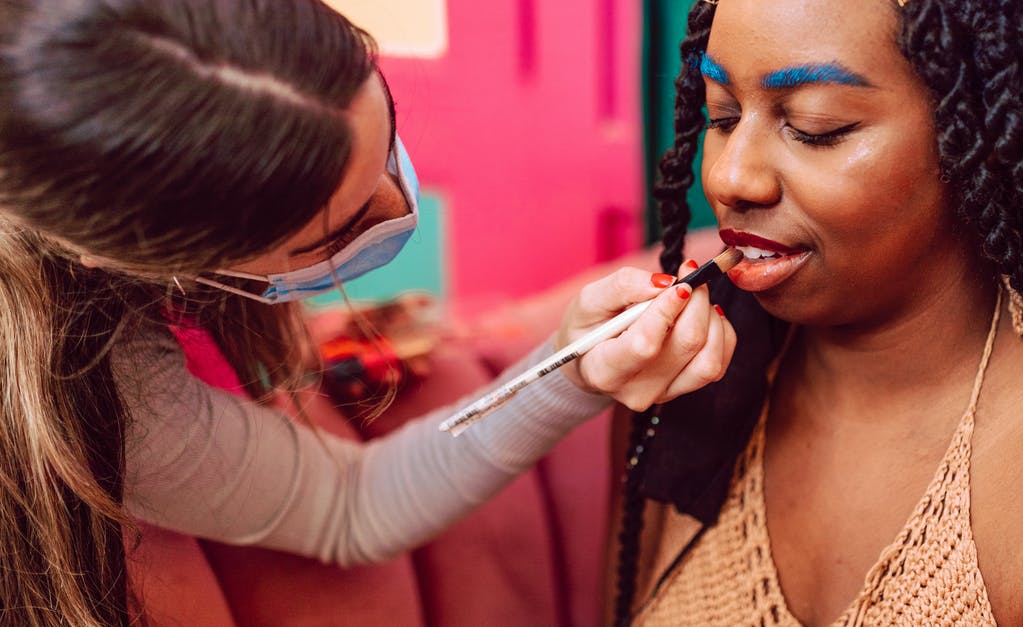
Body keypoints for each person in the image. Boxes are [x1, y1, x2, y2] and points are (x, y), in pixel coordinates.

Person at [0, 1, 738, 624]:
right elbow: (354, 505)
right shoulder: (112, 402)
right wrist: (572, 376)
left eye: (387, 136)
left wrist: (567, 351)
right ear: (139, 260)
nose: (399, 204)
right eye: (339, 232)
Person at [610, 0, 1023, 624]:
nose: (730, 177)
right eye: (721, 115)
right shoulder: (686, 380)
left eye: (817, 126)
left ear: (989, 138)